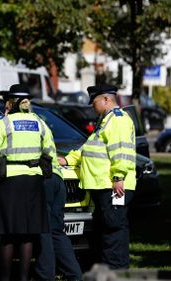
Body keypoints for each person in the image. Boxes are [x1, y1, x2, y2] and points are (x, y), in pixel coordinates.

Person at [58, 84, 136, 269]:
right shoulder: (105, 121)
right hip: (104, 186)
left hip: (113, 186)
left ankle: (115, 270)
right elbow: (88, 150)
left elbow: (122, 152)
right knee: (106, 229)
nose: (92, 106)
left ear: (106, 99)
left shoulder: (117, 120)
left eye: (94, 102)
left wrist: (118, 177)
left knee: (113, 230)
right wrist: (67, 160)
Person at [0, 84, 53, 281]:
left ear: (10, 102)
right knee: (28, 235)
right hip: (33, 181)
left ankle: (5, 277)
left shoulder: (4, 123)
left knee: (7, 234)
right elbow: (50, 150)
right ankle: (23, 278)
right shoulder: (39, 122)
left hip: (9, 181)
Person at [35, 151, 83, 280]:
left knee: (43, 231)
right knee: (56, 232)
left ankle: (45, 277)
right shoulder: (45, 130)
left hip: (40, 177)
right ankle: (75, 275)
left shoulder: (7, 129)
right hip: (57, 177)